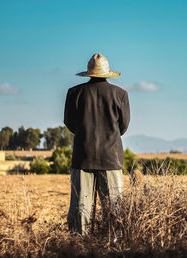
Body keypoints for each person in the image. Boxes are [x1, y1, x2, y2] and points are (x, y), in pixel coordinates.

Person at [64, 53, 130, 236]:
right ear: (107, 73)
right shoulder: (120, 94)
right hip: (111, 158)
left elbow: (69, 123)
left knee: (80, 208)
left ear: (89, 73)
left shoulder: (74, 93)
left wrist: (84, 135)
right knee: (114, 209)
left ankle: (78, 246)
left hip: (82, 157)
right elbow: (123, 127)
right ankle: (114, 244)